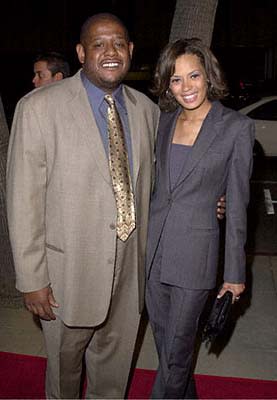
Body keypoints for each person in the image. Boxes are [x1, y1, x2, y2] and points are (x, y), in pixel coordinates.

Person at [7, 13, 160, 399]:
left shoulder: (148, 111)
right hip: (65, 276)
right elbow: (23, 199)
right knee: (64, 375)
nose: (110, 51)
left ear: (130, 51)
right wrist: (32, 279)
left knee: (113, 376)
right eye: (98, 43)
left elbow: (157, 186)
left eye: (118, 43)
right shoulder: (39, 108)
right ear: (81, 52)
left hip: (129, 274)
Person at [145, 38, 255, 399]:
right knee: (165, 345)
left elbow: (238, 203)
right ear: (167, 83)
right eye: (176, 79)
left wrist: (234, 274)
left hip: (196, 256)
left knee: (177, 352)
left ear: (208, 76)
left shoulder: (235, 127)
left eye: (194, 75)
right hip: (153, 251)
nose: (186, 86)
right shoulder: (162, 122)